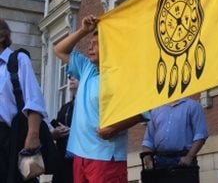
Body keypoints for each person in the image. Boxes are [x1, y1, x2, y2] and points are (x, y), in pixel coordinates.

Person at [53, 15, 146, 183]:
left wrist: (114, 128)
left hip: (106, 156)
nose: (90, 48)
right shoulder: (86, 67)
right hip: (80, 155)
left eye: (95, 44)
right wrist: (83, 30)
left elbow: (143, 112)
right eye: (90, 44)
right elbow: (59, 50)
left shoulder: (122, 74)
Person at [0, 19, 48, 183]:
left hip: (10, 136)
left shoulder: (18, 60)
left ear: (2, 36)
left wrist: (33, 135)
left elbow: (34, 100)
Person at [141, 98, 208, 171]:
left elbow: (200, 135)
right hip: (160, 162)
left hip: (183, 161)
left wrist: (189, 157)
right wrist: (148, 161)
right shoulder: (155, 110)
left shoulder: (193, 106)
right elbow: (148, 141)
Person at [51, 75, 78, 183]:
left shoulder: (87, 107)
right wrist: (54, 133)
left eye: (75, 76)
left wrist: (72, 131)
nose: (70, 77)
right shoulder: (65, 108)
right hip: (62, 159)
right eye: (70, 75)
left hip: (79, 158)